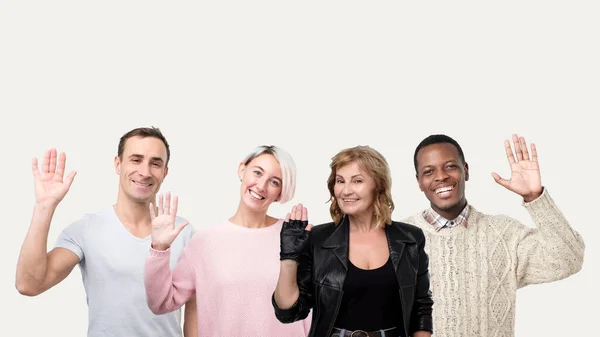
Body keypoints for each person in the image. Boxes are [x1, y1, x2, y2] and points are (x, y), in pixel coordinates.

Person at [15, 127, 197, 337]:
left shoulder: (184, 233)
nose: (145, 172)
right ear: (118, 164)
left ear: (165, 172)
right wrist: (44, 206)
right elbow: (29, 284)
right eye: (136, 160)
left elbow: (194, 312)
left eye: (155, 163)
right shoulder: (86, 229)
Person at [403, 133, 585, 337]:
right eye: (429, 171)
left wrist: (535, 197)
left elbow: (568, 259)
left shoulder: (504, 234)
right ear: (419, 182)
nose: (441, 176)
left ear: (466, 170)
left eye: (450, 166)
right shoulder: (400, 240)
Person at [144, 145, 311, 337]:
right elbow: (162, 303)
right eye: (257, 173)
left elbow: (313, 311)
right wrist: (159, 248)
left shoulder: (296, 237)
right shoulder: (204, 243)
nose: (261, 186)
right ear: (242, 169)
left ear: (281, 192)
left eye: (274, 182)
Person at [273, 145, 433, 337]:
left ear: (378, 185)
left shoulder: (410, 239)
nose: (346, 190)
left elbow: (421, 306)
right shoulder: (318, 239)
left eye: (357, 181)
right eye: (340, 181)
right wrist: (289, 258)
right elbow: (288, 312)